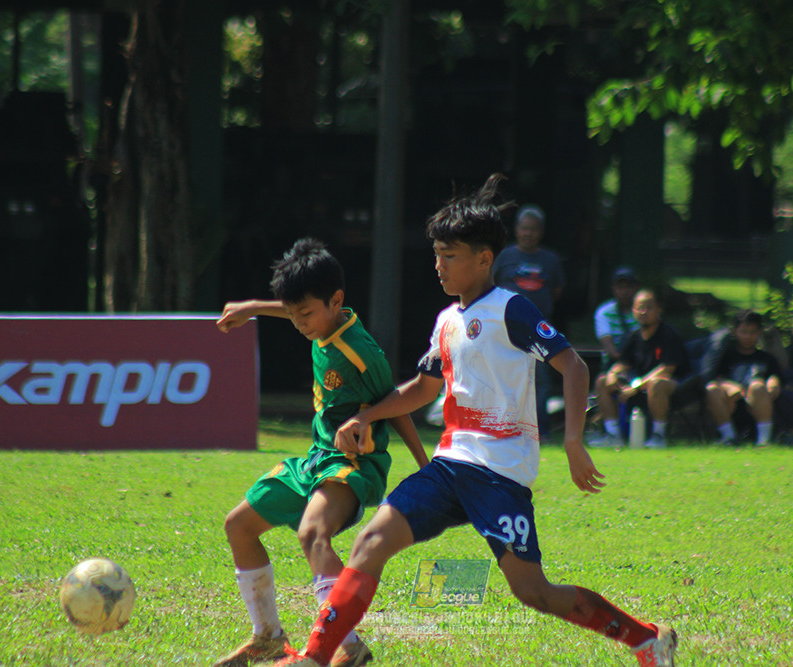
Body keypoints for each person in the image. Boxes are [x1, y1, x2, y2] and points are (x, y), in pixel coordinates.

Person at [273, 175, 678, 667]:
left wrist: (573, 440)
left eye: (450, 255)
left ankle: (645, 639)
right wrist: (366, 415)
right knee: (369, 542)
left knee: (534, 592)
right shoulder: (446, 320)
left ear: (484, 259)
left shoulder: (511, 309)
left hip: (499, 475)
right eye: (437, 253)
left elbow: (573, 365)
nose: (438, 265)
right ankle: (315, 659)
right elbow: (423, 387)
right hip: (450, 465)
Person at [212, 238, 428, 667]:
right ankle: (267, 637)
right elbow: (294, 308)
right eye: (293, 314)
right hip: (316, 458)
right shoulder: (321, 319)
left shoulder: (359, 352)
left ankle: (347, 647)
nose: (299, 324)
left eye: (305, 314)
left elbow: (399, 404)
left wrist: (426, 468)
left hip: (354, 463)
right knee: (239, 525)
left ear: (336, 301)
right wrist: (253, 306)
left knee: (312, 533)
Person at [492, 204, 565, 438]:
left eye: (533, 229)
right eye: (524, 228)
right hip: (507, 329)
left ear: (540, 232)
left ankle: (539, 429)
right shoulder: (505, 256)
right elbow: (490, 285)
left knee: (540, 381)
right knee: (506, 377)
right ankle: (504, 427)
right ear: (516, 230)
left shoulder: (550, 259)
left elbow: (556, 289)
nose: (528, 233)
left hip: (540, 330)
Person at [596, 288, 692, 449]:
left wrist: (635, 386)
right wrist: (613, 373)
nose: (643, 312)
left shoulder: (669, 334)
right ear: (633, 311)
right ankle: (613, 435)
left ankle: (658, 435)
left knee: (656, 383)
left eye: (648, 307)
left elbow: (667, 369)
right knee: (602, 381)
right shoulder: (634, 337)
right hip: (638, 385)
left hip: (675, 385)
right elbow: (623, 363)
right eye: (639, 307)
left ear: (658, 310)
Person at [704, 310, 783, 445]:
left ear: (759, 333)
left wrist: (773, 383)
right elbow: (716, 378)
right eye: (744, 332)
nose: (748, 336)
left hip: (758, 402)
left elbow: (774, 376)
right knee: (711, 390)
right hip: (731, 402)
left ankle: (764, 440)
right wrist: (730, 386)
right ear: (735, 332)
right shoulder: (726, 356)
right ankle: (728, 437)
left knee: (757, 386)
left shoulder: (766, 358)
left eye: (753, 332)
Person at [589, 268, 640, 446]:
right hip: (616, 365)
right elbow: (610, 347)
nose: (624, 291)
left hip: (641, 367)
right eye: (620, 287)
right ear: (613, 289)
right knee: (602, 382)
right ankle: (613, 434)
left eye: (628, 287)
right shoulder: (604, 312)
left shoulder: (642, 310)